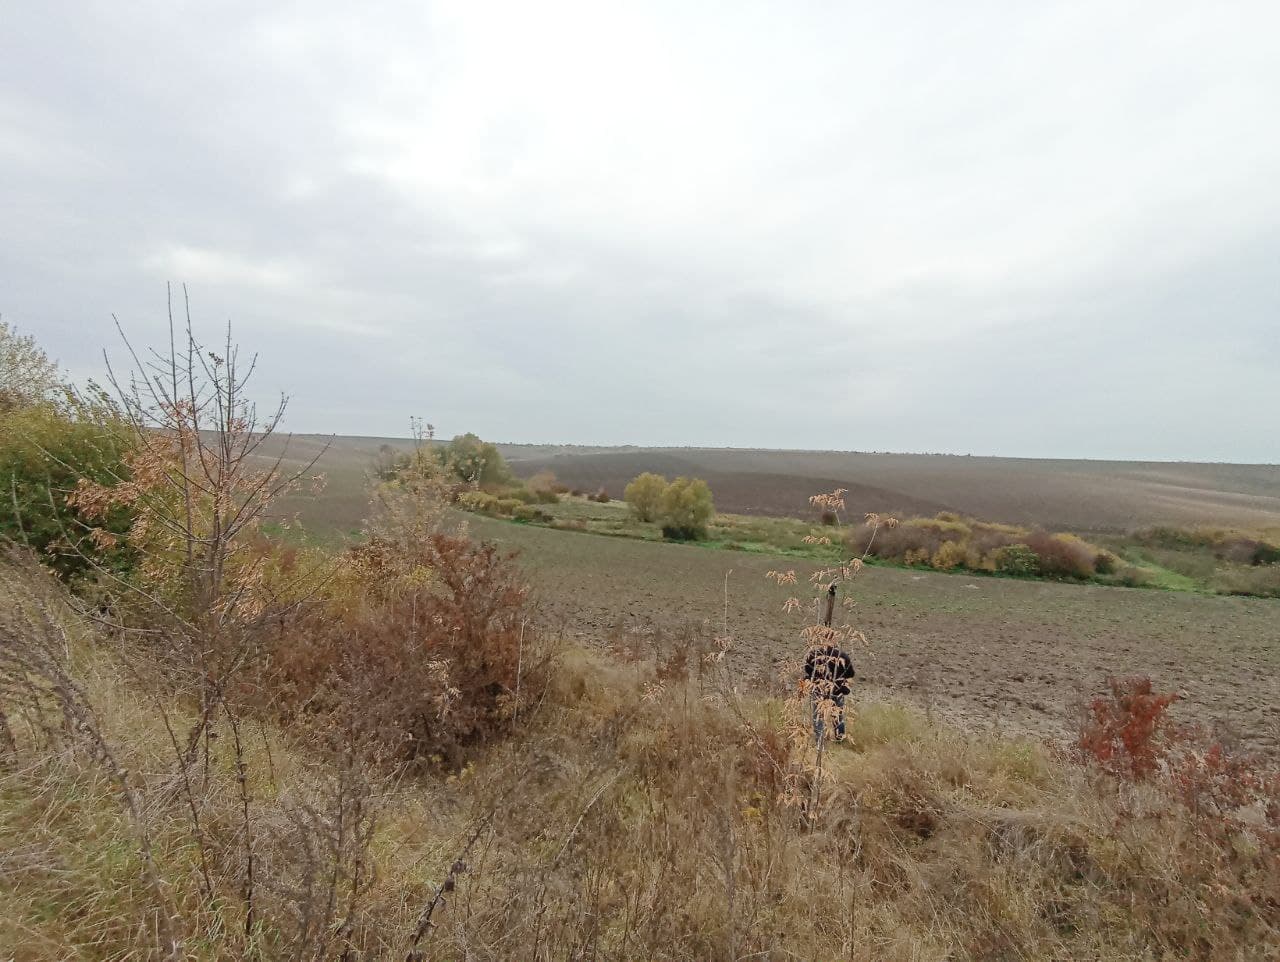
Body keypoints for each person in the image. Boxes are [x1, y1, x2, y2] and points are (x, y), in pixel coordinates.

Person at [805, 642, 855, 744]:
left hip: (819, 691)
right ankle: (840, 739)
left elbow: (808, 670)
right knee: (838, 716)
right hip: (838, 691)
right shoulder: (842, 656)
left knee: (818, 716)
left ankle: (819, 741)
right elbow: (850, 673)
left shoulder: (814, 654)